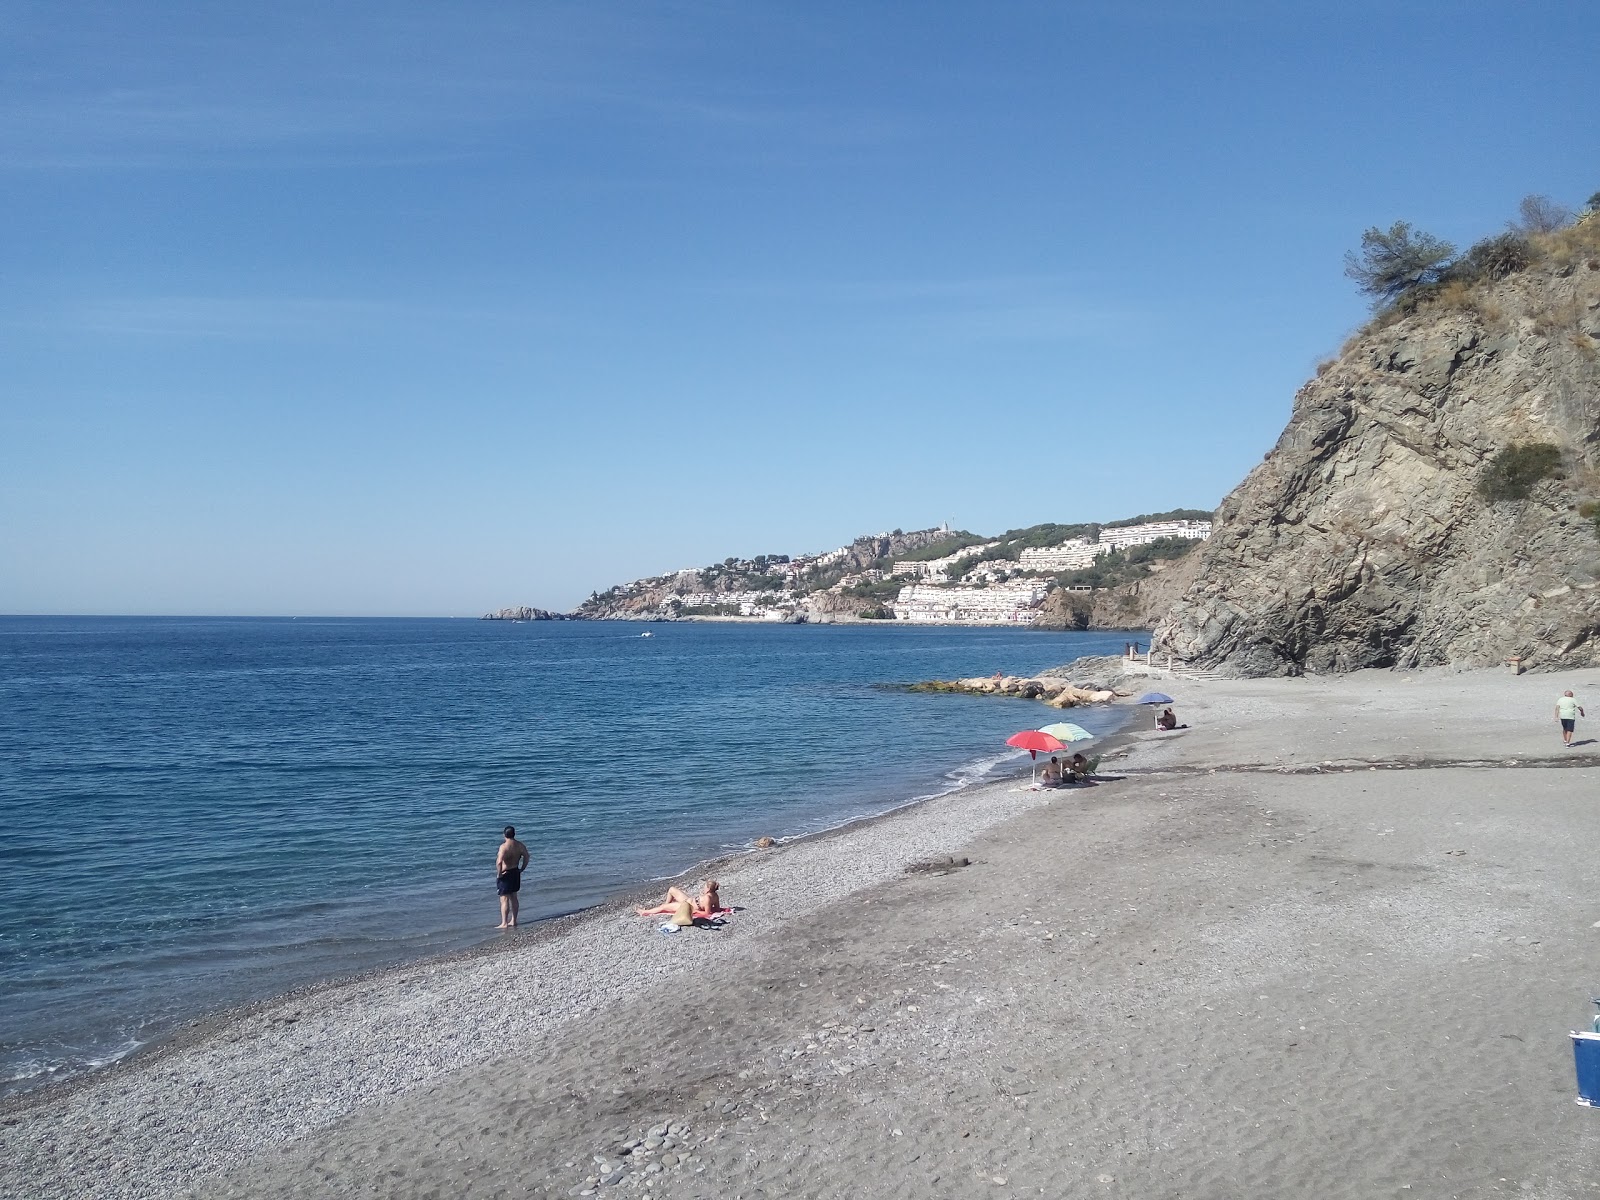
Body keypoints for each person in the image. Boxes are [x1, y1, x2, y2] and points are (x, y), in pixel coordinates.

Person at [637, 879, 722, 924]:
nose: (703, 888)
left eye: (704, 887)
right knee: (671, 889)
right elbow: (717, 909)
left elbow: (707, 913)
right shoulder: (715, 895)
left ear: (708, 889)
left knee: (663, 907)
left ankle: (644, 912)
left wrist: (696, 911)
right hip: (689, 900)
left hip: (687, 906)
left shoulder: (707, 898)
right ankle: (667, 906)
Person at [495, 825, 529, 929]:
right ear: (514, 834)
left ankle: (504, 923)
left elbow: (499, 862)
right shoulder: (519, 845)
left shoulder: (504, 847)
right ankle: (514, 920)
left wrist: (499, 873)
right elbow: (527, 856)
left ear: (504, 835)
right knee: (514, 897)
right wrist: (522, 868)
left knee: (504, 899)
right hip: (515, 872)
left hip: (506, 873)